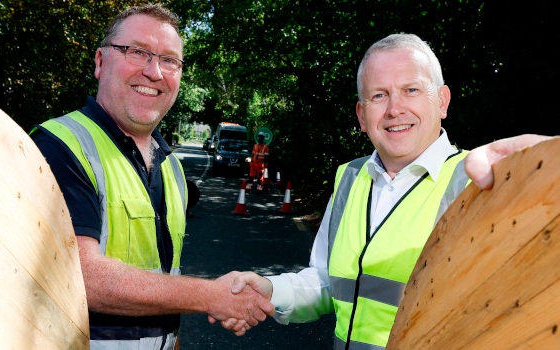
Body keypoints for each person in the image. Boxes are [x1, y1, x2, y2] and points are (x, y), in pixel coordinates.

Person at [218, 34, 550, 349]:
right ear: (362, 116)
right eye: (379, 95)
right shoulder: (350, 177)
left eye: (411, 90)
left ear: (443, 101)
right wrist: (271, 291)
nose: (394, 109)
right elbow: (326, 283)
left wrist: (546, 168)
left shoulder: (479, 181)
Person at [30, 4, 273, 349]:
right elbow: (80, 276)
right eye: (137, 52)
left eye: (170, 60)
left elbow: (163, 274)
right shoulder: (60, 146)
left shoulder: (172, 166)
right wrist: (211, 296)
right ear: (101, 62)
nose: (154, 72)